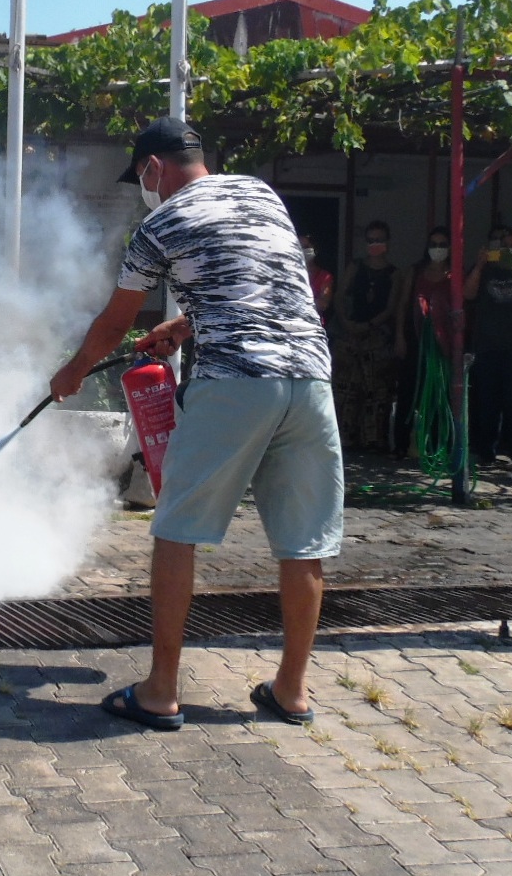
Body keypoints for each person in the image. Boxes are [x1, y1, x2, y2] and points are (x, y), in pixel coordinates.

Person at [51, 117, 343, 731]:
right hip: (310, 381)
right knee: (304, 542)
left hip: (235, 384)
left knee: (177, 529)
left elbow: (111, 322)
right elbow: (260, 286)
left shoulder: (160, 224)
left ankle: (160, 690)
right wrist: (184, 326)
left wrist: (72, 372)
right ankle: (291, 689)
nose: (142, 189)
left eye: (140, 178)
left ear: (153, 168)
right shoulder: (262, 194)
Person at [465, 225, 512, 473]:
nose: (508, 250)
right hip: (487, 346)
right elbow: (467, 294)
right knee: (486, 402)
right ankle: (486, 452)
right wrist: (479, 265)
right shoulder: (486, 270)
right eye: (503, 246)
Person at [333, 220, 401, 450]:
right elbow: (340, 295)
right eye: (371, 240)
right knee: (346, 389)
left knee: (377, 390)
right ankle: (343, 439)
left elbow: (391, 306)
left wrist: (371, 324)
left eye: (379, 240)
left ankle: (373, 440)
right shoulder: (356, 266)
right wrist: (345, 321)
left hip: (377, 334)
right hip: (350, 331)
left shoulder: (394, 273)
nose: (375, 244)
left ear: (388, 243)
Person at [391, 229, 454, 460]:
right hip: (415, 338)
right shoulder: (415, 272)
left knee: (439, 394)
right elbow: (402, 306)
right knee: (409, 391)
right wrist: (400, 336)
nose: (438, 248)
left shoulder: (454, 274)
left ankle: (437, 445)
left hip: (442, 343)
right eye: (434, 243)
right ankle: (401, 445)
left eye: (442, 244)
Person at [301, 233, 334, 324]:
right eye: (299, 247)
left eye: (306, 247)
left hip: (313, 326)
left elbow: (323, 304)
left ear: (315, 249)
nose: (302, 250)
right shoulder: (288, 273)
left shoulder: (325, 276)